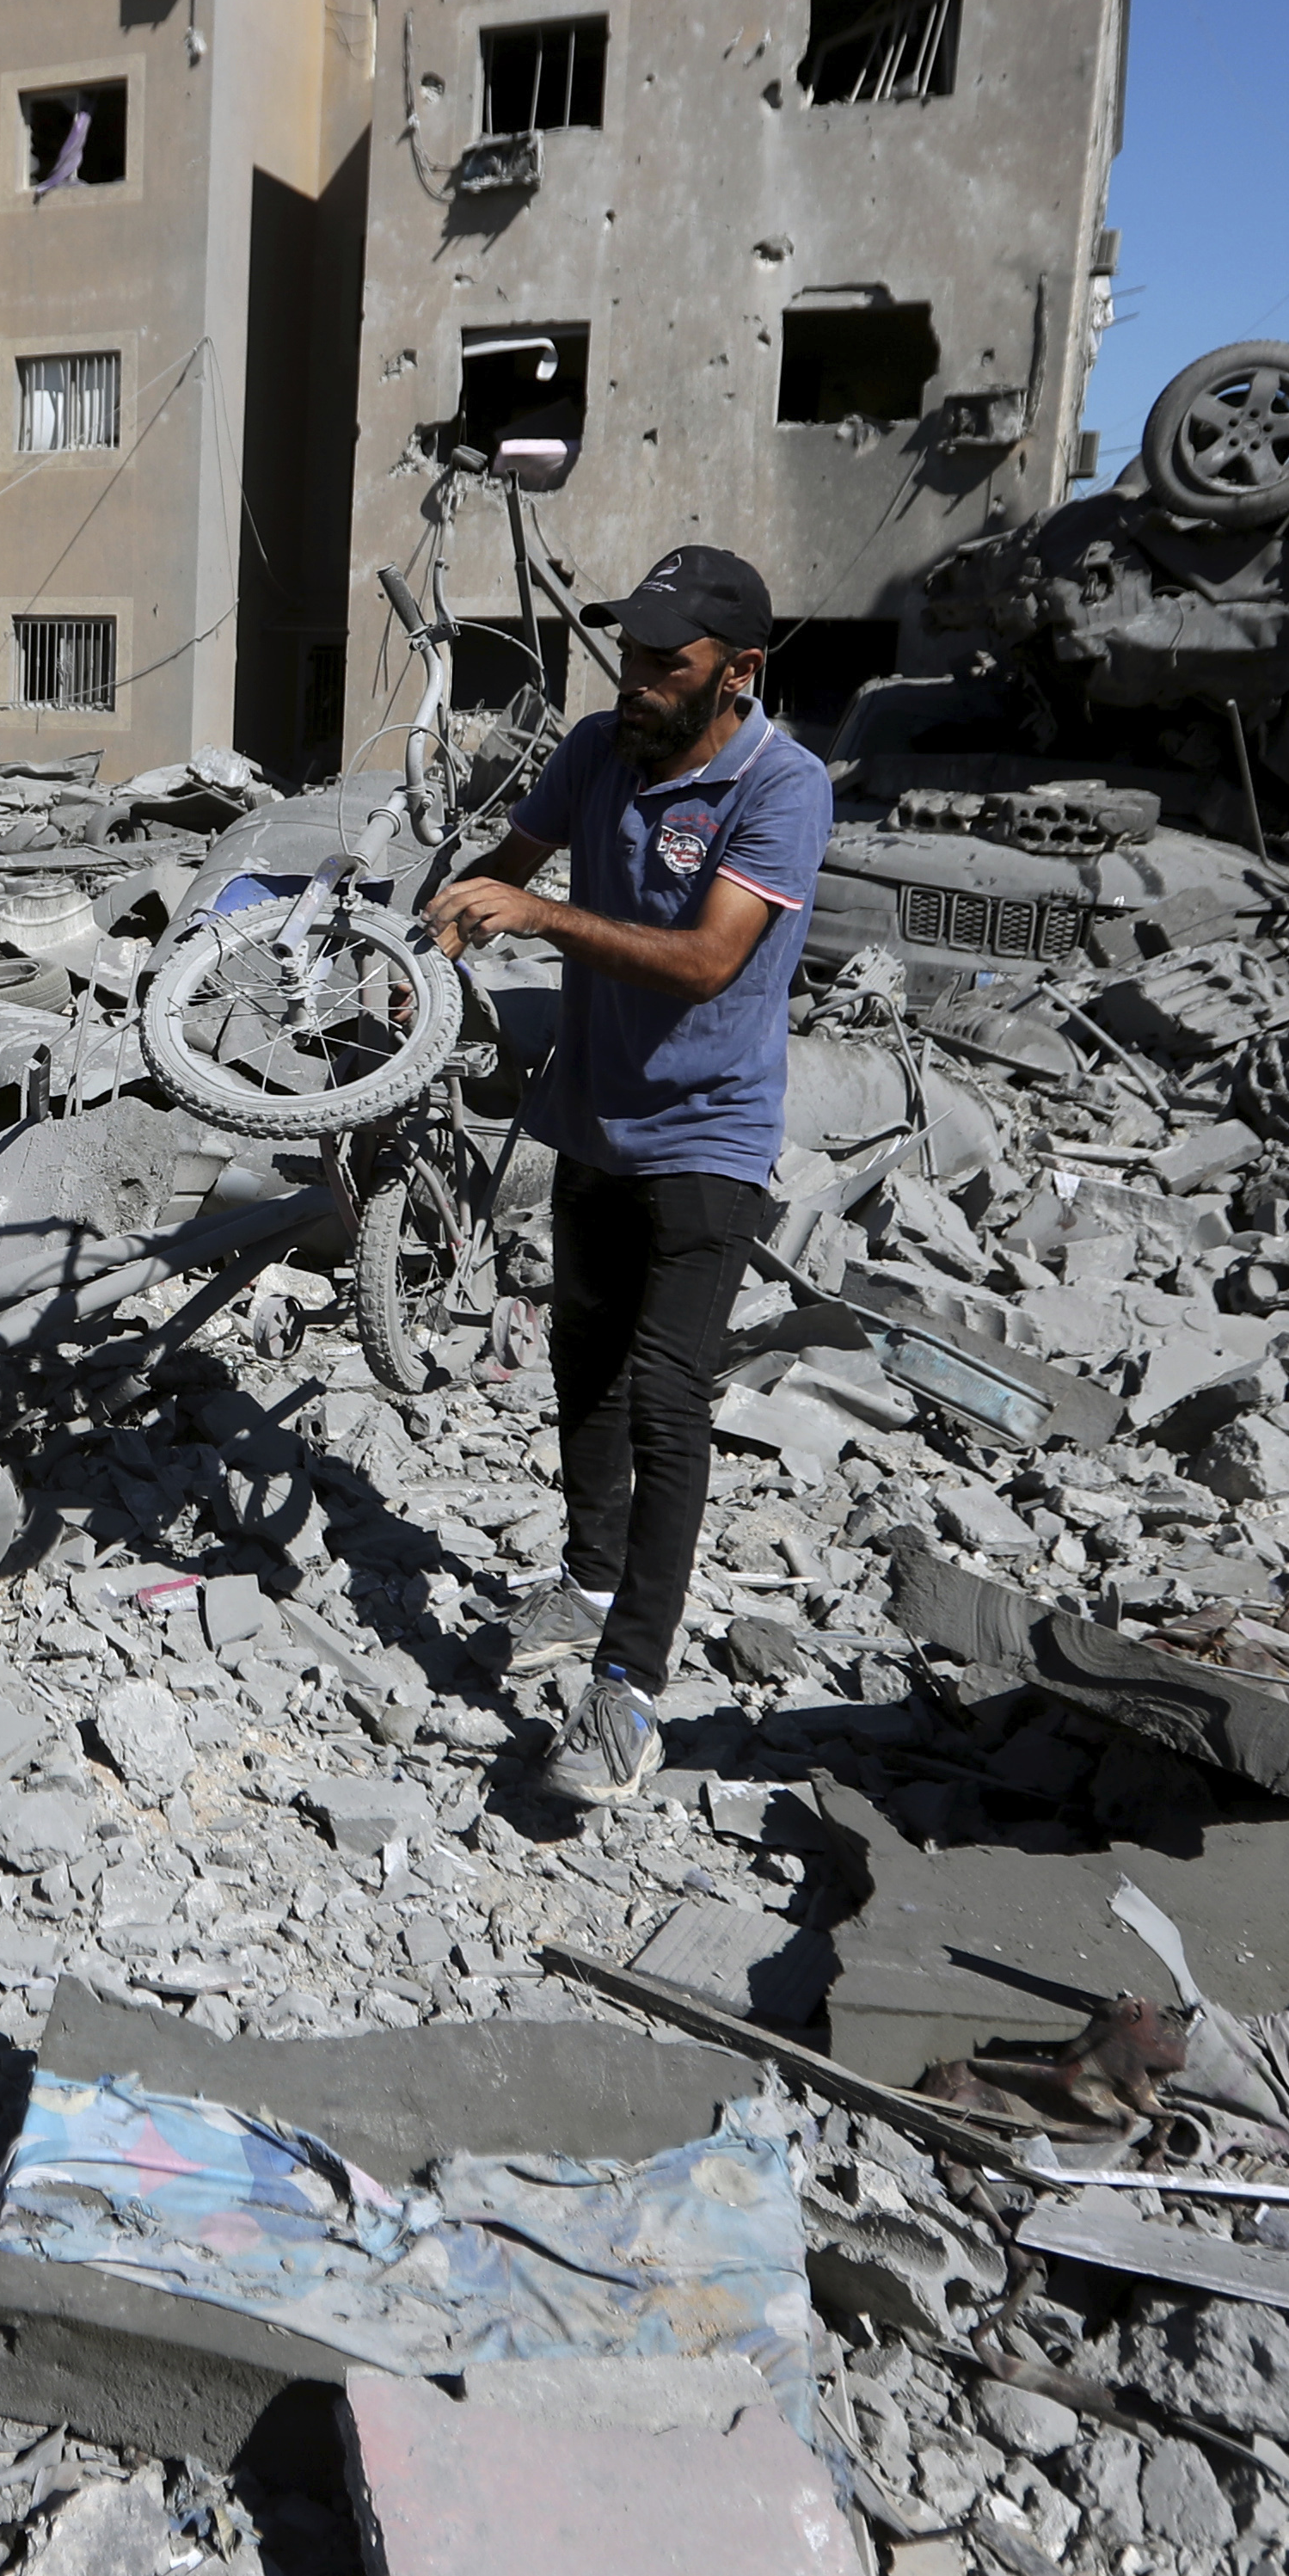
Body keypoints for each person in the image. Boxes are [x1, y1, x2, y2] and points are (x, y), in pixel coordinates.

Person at [423, 544, 832, 1801]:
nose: (636, 678)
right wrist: (426, 931)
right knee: (580, 1355)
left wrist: (536, 919)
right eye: (628, 653)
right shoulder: (600, 745)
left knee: (664, 1396)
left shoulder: (782, 785)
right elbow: (515, 857)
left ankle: (627, 1689)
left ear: (736, 671)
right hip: (590, 1111)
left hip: (707, 1132)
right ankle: (587, 1574)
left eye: (667, 662)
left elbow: (708, 960)